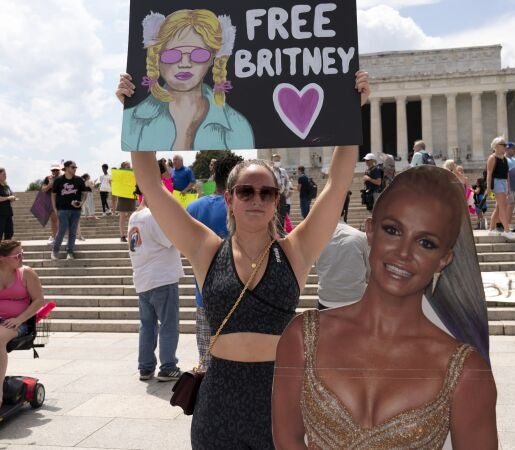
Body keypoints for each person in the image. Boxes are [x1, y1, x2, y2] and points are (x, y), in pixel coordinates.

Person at [118, 70, 370, 449]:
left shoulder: (295, 251)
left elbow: (336, 185)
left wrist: (353, 114)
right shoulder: (206, 249)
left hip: (279, 394)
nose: (256, 198)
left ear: (276, 203)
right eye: (246, 191)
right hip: (219, 396)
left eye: (266, 193)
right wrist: (135, 113)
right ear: (229, 198)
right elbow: (151, 186)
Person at [272, 166, 497, 449]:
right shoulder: (301, 336)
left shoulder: (467, 372)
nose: (403, 253)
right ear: (370, 231)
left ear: (444, 259)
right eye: (393, 230)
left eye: (426, 243)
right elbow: (286, 439)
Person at [121, 9, 254, 151]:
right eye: (172, 55)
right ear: (157, 58)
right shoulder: (132, 120)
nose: (185, 63)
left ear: (212, 59)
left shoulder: (237, 125)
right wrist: (129, 100)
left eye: (199, 54)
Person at [128, 187, 183, 382]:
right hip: (162, 277)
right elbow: (172, 239)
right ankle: (168, 366)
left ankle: (145, 367)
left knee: (147, 325)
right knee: (168, 324)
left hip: (143, 278)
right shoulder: (153, 215)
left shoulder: (134, 216)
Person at [186, 156, 234, 370]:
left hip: (205, 297)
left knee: (207, 367)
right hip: (240, 297)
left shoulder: (194, 208)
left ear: (214, 178)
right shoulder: (245, 209)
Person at [0, 240, 46, 408]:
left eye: (22, 253)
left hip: (17, 322)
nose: (21, 258)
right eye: (17, 255)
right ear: (3, 258)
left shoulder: (26, 273)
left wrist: (19, 319)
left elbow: (39, 300)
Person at [315, 193, 369, 309]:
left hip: (326, 301)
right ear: (344, 212)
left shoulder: (317, 238)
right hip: (356, 301)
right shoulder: (361, 237)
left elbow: (318, 267)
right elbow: (370, 273)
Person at [51, 161, 85, 260]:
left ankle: (70, 252)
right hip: (62, 209)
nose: (75, 169)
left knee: (73, 232)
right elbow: (53, 195)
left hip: (76, 210)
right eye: (73, 167)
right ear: (66, 168)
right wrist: (54, 208)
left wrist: (82, 202)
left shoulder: (79, 180)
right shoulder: (58, 180)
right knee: (61, 230)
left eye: (76, 167)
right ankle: (55, 251)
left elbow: (84, 193)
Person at [486, 137, 515, 240]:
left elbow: (507, 174)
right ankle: (506, 231)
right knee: (503, 207)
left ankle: (491, 230)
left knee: (498, 207)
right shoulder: (492, 158)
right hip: (497, 182)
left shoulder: (504, 159)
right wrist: (489, 188)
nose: (505, 147)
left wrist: (508, 187)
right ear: (497, 146)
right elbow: (489, 174)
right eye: (503, 145)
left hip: (503, 183)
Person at [271, 154, 293, 236]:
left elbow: (287, 181)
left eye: (278, 160)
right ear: (272, 161)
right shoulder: (270, 171)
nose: (277, 161)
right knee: (273, 214)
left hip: (282, 195)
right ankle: (272, 232)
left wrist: (286, 191)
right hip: (273, 196)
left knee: (282, 214)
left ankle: (280, 232)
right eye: (275, 160)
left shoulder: (283, 171)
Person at [116, 161, 137, 242]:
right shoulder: (119, 174)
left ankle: (131, 234)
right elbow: (115, 184)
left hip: (130, 196)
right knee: (122, 217)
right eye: (127, 166)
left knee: (131, 217)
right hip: (122, 196)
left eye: (129, 166)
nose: (129, 167)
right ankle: (122, 236)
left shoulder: (132, 173)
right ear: (123, 167)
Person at [42, 164, 62, 241]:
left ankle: (61, 235)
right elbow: (43, 189)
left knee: (62, 219)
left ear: (59, 170)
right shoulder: (48, 178)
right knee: (53, 219)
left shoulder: (63, 178)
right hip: (51, 201)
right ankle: (54, 236)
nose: (55, 171)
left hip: (61, 201)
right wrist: (50, 184)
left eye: (57, 170)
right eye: (53, 170)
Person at [0, 168, 16, 241]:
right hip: (1, 214)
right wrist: (8, 198)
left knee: (9, 233)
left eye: (5, 174)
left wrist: (13, 198)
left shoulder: (7, 187)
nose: (5, 176)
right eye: (3, 174)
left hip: (8, 213)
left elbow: (10, 196)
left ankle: (6, 251)